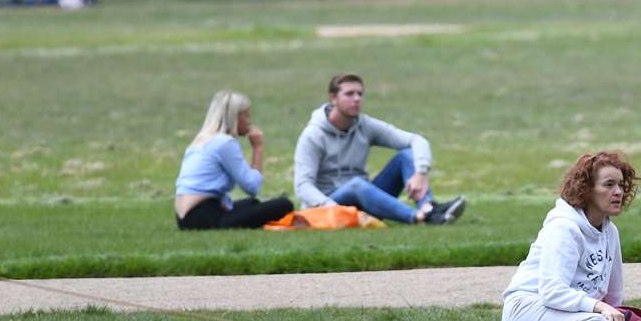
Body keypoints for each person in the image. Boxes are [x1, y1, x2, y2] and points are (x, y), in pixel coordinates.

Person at [488, 151, 640, 321]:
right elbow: (552, 291)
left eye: (621, 185)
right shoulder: (564, 227)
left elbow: (613, 295)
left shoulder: (610, 232)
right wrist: (601, 310)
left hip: (568, 315)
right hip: (526, 309)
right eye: (609, 185)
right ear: (586, 189)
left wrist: (615, 319)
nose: (618, 192)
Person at [293, 73, 464, 225]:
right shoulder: (313, 135)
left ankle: (428, 207)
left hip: (363, 201)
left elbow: (417, 140)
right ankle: (418, 217)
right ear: (333, 98)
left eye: (360, 94)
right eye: (349, 94)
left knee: (406, 156)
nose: (357, 99)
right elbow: (302, 186)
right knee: (357, 185)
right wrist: (330, 206)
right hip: (329, 207)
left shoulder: (364, 125)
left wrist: (421, 172)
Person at [174, 91, 293, 230]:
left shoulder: (201, 140)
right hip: (203, 218)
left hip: (186, 217)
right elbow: (252, 186)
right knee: (284, 204)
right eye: (246, 115)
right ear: (235, 117)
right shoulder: (225, 143)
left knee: (251, 203)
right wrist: (258, 148)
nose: (249, 121)